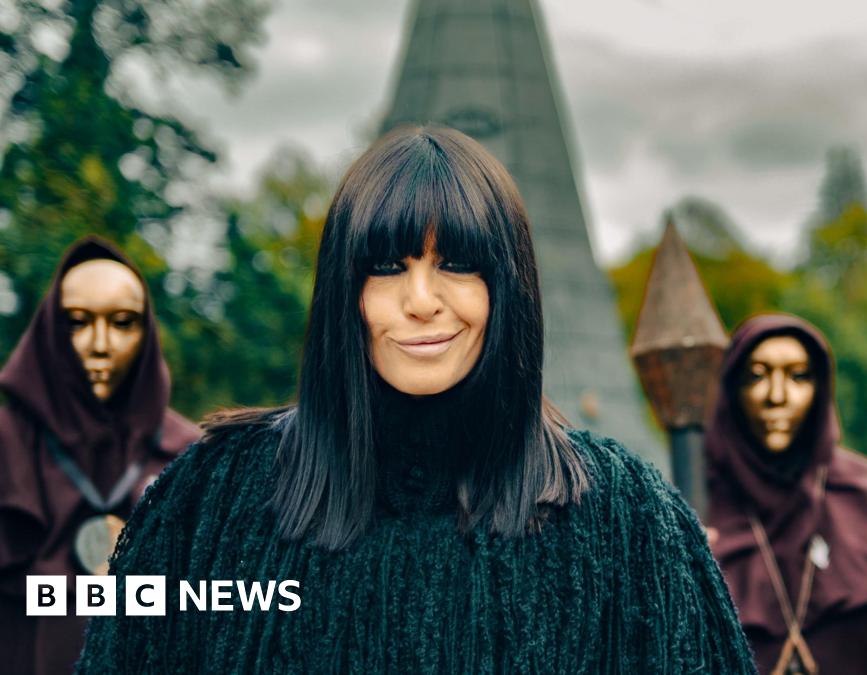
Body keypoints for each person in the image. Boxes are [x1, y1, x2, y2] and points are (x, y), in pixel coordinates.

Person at [77, 126, 755, 674]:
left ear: (507, 286)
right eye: (387, 266)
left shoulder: (629, 520)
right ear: (346, 291)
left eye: (456, 264)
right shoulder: (212, 501)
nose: (422, 300)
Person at [0, 237, 200, 675]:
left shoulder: (192, 455)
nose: (100, 344)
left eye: (123, 322)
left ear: (147, 334)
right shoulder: (6, 444)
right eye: (77, 322)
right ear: (49, 331)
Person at [705, 314, 867, 675]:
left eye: (798, 376)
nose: (777, 396)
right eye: (757, 376)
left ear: (822, 389)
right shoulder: (692, 512)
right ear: (732, 391)